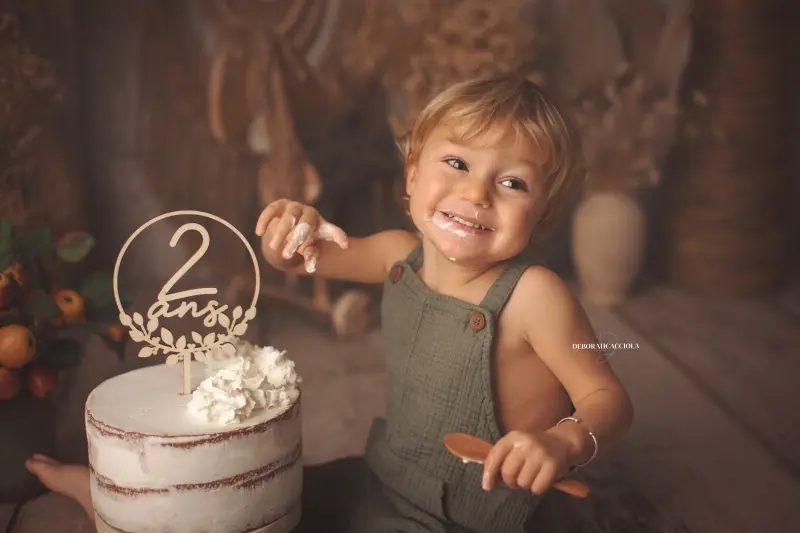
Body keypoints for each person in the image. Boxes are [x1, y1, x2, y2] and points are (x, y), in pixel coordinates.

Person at [27, 74, 633, 533]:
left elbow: (607, 398)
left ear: (543, 213)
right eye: (456, 163)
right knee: (248, 507)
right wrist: (292, 232)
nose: (475, 193)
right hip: (387, 478)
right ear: (413, 173)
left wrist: (563, 441)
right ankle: (111, 499)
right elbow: (302, 258)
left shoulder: (535, 296)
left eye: (513, 182)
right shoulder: (400, 255)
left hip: (478, 515)